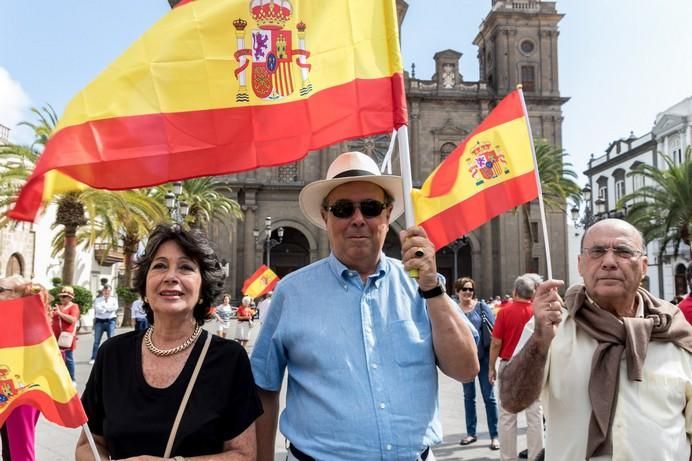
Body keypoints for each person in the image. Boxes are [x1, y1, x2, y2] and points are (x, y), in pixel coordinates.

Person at [251, 151, 479, 461]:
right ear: (325, 216)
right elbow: (263, 387)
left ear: (387, 215)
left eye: (370, 208)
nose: (358, 219)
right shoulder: (291, 293)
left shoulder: (423, 287)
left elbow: (466, 369)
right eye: (343, 209)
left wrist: (432, 289)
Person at [500, 219, 692, 460]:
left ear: (644, 266)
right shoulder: (551, 326)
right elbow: (512, 401)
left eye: (623, 252)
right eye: (597, 252)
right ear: (580, 265)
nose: (609, 262)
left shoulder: (674, 330)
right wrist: (539, 342)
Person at [75, 224, 262, 460]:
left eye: (185, 267)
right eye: (160, 266)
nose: (171, 277)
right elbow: (88, 444)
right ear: (144, 288)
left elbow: (243, 455)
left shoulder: (229, 359)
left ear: (203, 289)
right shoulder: (112, 353)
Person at [488, 274, 544, 461]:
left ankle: (508, 457)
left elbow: (496, 343)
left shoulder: (505, 311)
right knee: (535, 414)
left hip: (509, 364)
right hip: (533, 366)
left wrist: (491, 367)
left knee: (507, 417)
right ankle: (536, 456)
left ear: (514, 292)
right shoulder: (537, 312)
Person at [0, 276, 52, 461]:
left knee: (20, 450)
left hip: (20, 393)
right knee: (10, 447)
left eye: (1, 289)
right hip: (7, 391)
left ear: (17, 296)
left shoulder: (31, 326)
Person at [455, 277, 499, 451]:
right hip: (464, 360)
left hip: (484, 359)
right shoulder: (454, 310)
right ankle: (471, 433)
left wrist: (492, 365)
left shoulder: (481, 307)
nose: (467, 292)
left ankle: (495, 435)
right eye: (464, 289)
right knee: (468, 397)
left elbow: (494, 332)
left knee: (489, 398)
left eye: (470, 289)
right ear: (457, 291)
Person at [50, 286, 80, 386]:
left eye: (65, 296)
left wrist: (59, 313)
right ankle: (60, 378)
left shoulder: (74, 306)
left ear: (70, 298)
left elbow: (72, 320)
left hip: (66, 337)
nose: (62, 298)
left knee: (68, 358)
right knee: (57, 358)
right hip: (55, 336)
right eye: (61, 296)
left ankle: (72, 379)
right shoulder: (58, 306)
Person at [89, 284, 118, 364]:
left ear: (110, 291)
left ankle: (111, 358)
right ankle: (93, 358)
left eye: (108, 291)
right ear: (103, 291)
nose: (106, 292)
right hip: (100, 321)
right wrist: (108, 309)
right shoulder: (98, 299)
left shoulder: (114, 299)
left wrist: (105, 308)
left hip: (110, 321)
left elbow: (115, 308)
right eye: (105, 291)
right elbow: (98, 309)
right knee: (96, 341)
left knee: (111, 340)